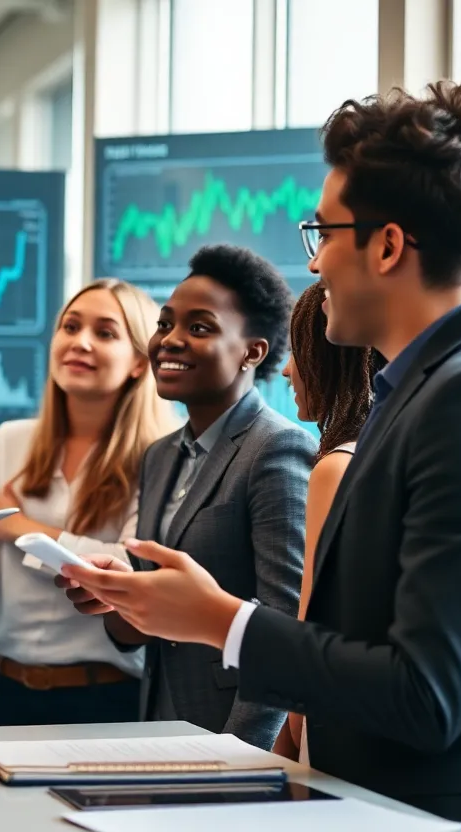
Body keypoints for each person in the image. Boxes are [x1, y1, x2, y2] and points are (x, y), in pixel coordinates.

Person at [57, 80, 461, 832]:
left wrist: (222, 621)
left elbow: (426, 694)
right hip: (377, 802)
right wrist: (186, 608)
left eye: (323, 235)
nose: (313, 266)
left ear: (388, 245)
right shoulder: (416, 393)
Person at [63, 245, 315, 750]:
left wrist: (238, 760)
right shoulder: (159, 456)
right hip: (161, 729)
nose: (169, 341)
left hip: (231, 740)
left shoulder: (276, 449)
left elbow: (284, 628)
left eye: (199, 328)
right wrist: (116, 596)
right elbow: (151, 628)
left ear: (253, 351)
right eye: (165, 324)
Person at [0, 279, 175, 726]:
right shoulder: (9, 442)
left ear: (140, 363)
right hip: (2, 691)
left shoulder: (159, 453)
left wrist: (18, 529)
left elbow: (129, 569)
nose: (79, 342)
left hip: (105, 699)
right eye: (70, 327)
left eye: (104, 333)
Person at [273, 280, 378, 761]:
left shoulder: (336, 466)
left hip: (331, 730)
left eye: (298, 353)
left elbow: (312, 627)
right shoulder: (384, 454)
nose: (287, 371)